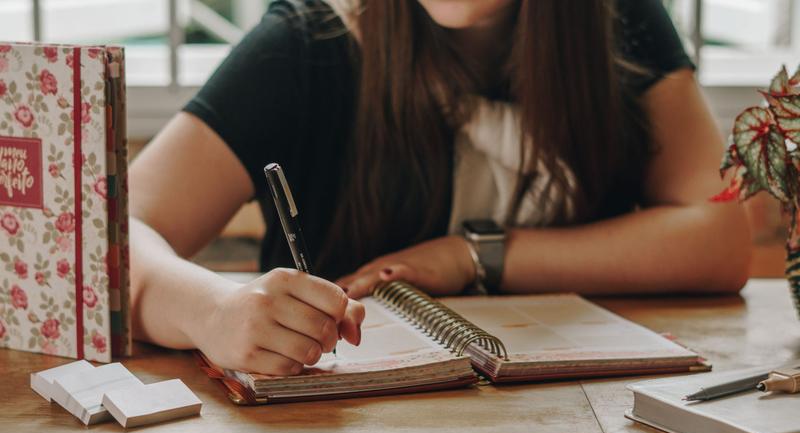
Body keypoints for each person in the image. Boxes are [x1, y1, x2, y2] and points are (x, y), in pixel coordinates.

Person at [129, 0, 751, 376]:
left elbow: (719, 235)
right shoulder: (309, 40)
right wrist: (213, 310)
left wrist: (472, 257)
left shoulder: (617, 20)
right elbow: (111, 235)